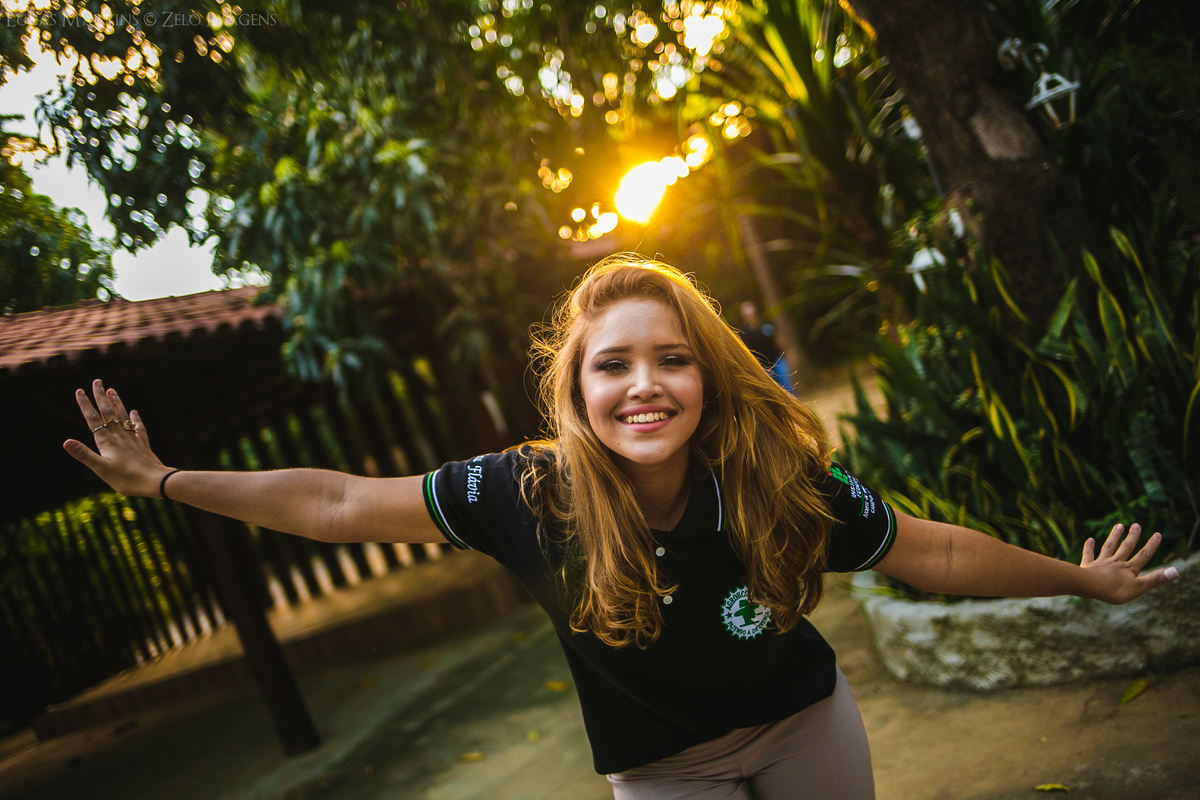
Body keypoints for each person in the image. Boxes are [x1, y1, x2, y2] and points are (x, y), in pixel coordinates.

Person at [65, 254, 1178, 800]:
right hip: (662, 772)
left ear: (707, 376)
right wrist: (165, 481)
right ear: (576, 389)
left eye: (672, 357)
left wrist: (1082, 582)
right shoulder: (524, 492)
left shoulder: (776, 474)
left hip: (805, 726)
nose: (644, 384)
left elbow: (926, 547)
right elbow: (341, 499)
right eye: (614, 364)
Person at [736, 300, 793, 393]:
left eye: (750, 307)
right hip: (763, 366)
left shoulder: (765, 324)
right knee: (776, 390)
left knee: (787, 385)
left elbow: (777, 339)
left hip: (777, 359)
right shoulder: (744, 332)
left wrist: (789, 353)